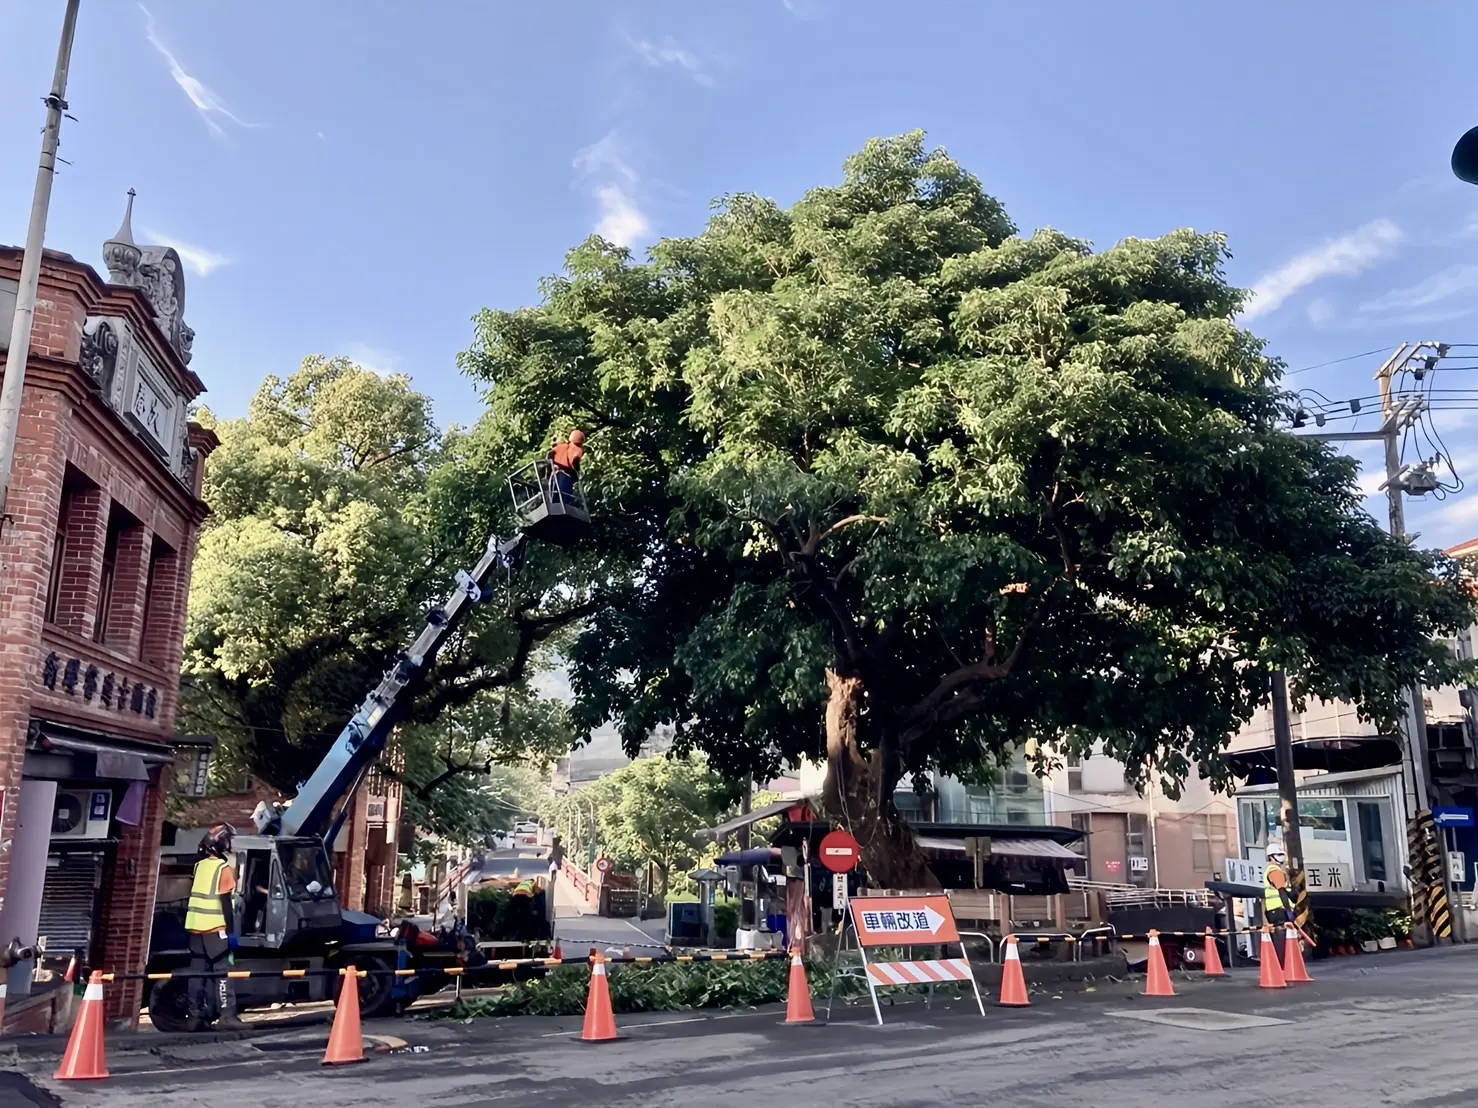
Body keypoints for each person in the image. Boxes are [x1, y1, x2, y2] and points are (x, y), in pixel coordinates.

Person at [184, 823, 244, 1030]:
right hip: (215, 929)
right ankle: (227, 1015)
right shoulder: (223, 868)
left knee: (197, 973)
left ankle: (194, 1017)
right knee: (222, 972)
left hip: (195, 928)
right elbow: (226, 903)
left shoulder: (199, 866)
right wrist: (231, 932)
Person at [548, 429, 585, 500]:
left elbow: (549, 454)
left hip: (555, 474)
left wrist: (550, 466)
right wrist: (577, 471)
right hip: (566, 476)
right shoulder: (577, 449)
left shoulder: (561, 446)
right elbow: (575, 461)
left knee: (554, 497)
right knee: (565, 497)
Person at [1263, 841, 1292, 929]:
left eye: (1282, 855)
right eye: (1278, 855)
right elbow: (1281, 891)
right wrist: (1288, 910)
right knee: (1283, 939)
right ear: (1270, 857)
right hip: (1279, 911)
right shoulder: (1274, 871)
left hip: (1277, 911)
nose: (1281, 857)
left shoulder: (1276, 870)